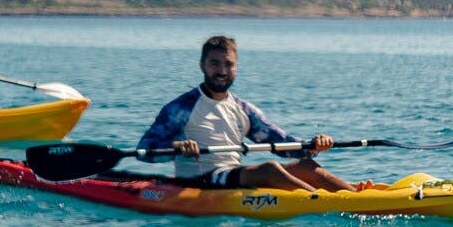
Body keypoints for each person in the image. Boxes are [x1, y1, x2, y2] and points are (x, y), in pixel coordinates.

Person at [137, 35, 371, 192]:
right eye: (215, 64)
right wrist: (176, 147)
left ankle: (356, 198)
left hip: (232, 176)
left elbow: (282, 144)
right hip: (199, 181)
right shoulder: (181, 107)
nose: (222, 71)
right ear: (202, 65)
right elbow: (145, 151)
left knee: (307, 166)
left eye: (228, 64)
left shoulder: (243, 109)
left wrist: (313, 145)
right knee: (268, 170)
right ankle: (332, 205)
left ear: (236, 67)